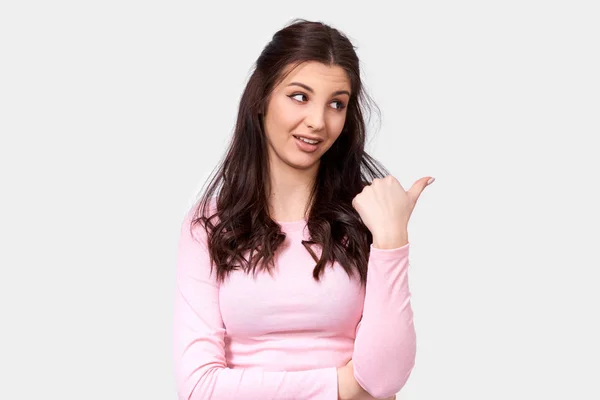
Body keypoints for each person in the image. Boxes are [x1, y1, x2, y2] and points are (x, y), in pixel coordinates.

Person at [172, 18, 434, 400]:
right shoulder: (209, 225)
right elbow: (200, 389)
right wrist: (341, 385)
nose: (317, 122)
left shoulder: (365, 217)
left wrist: (391, 240)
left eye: (336, 104)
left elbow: (385, 378)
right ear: (262, 98)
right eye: (299, 96)